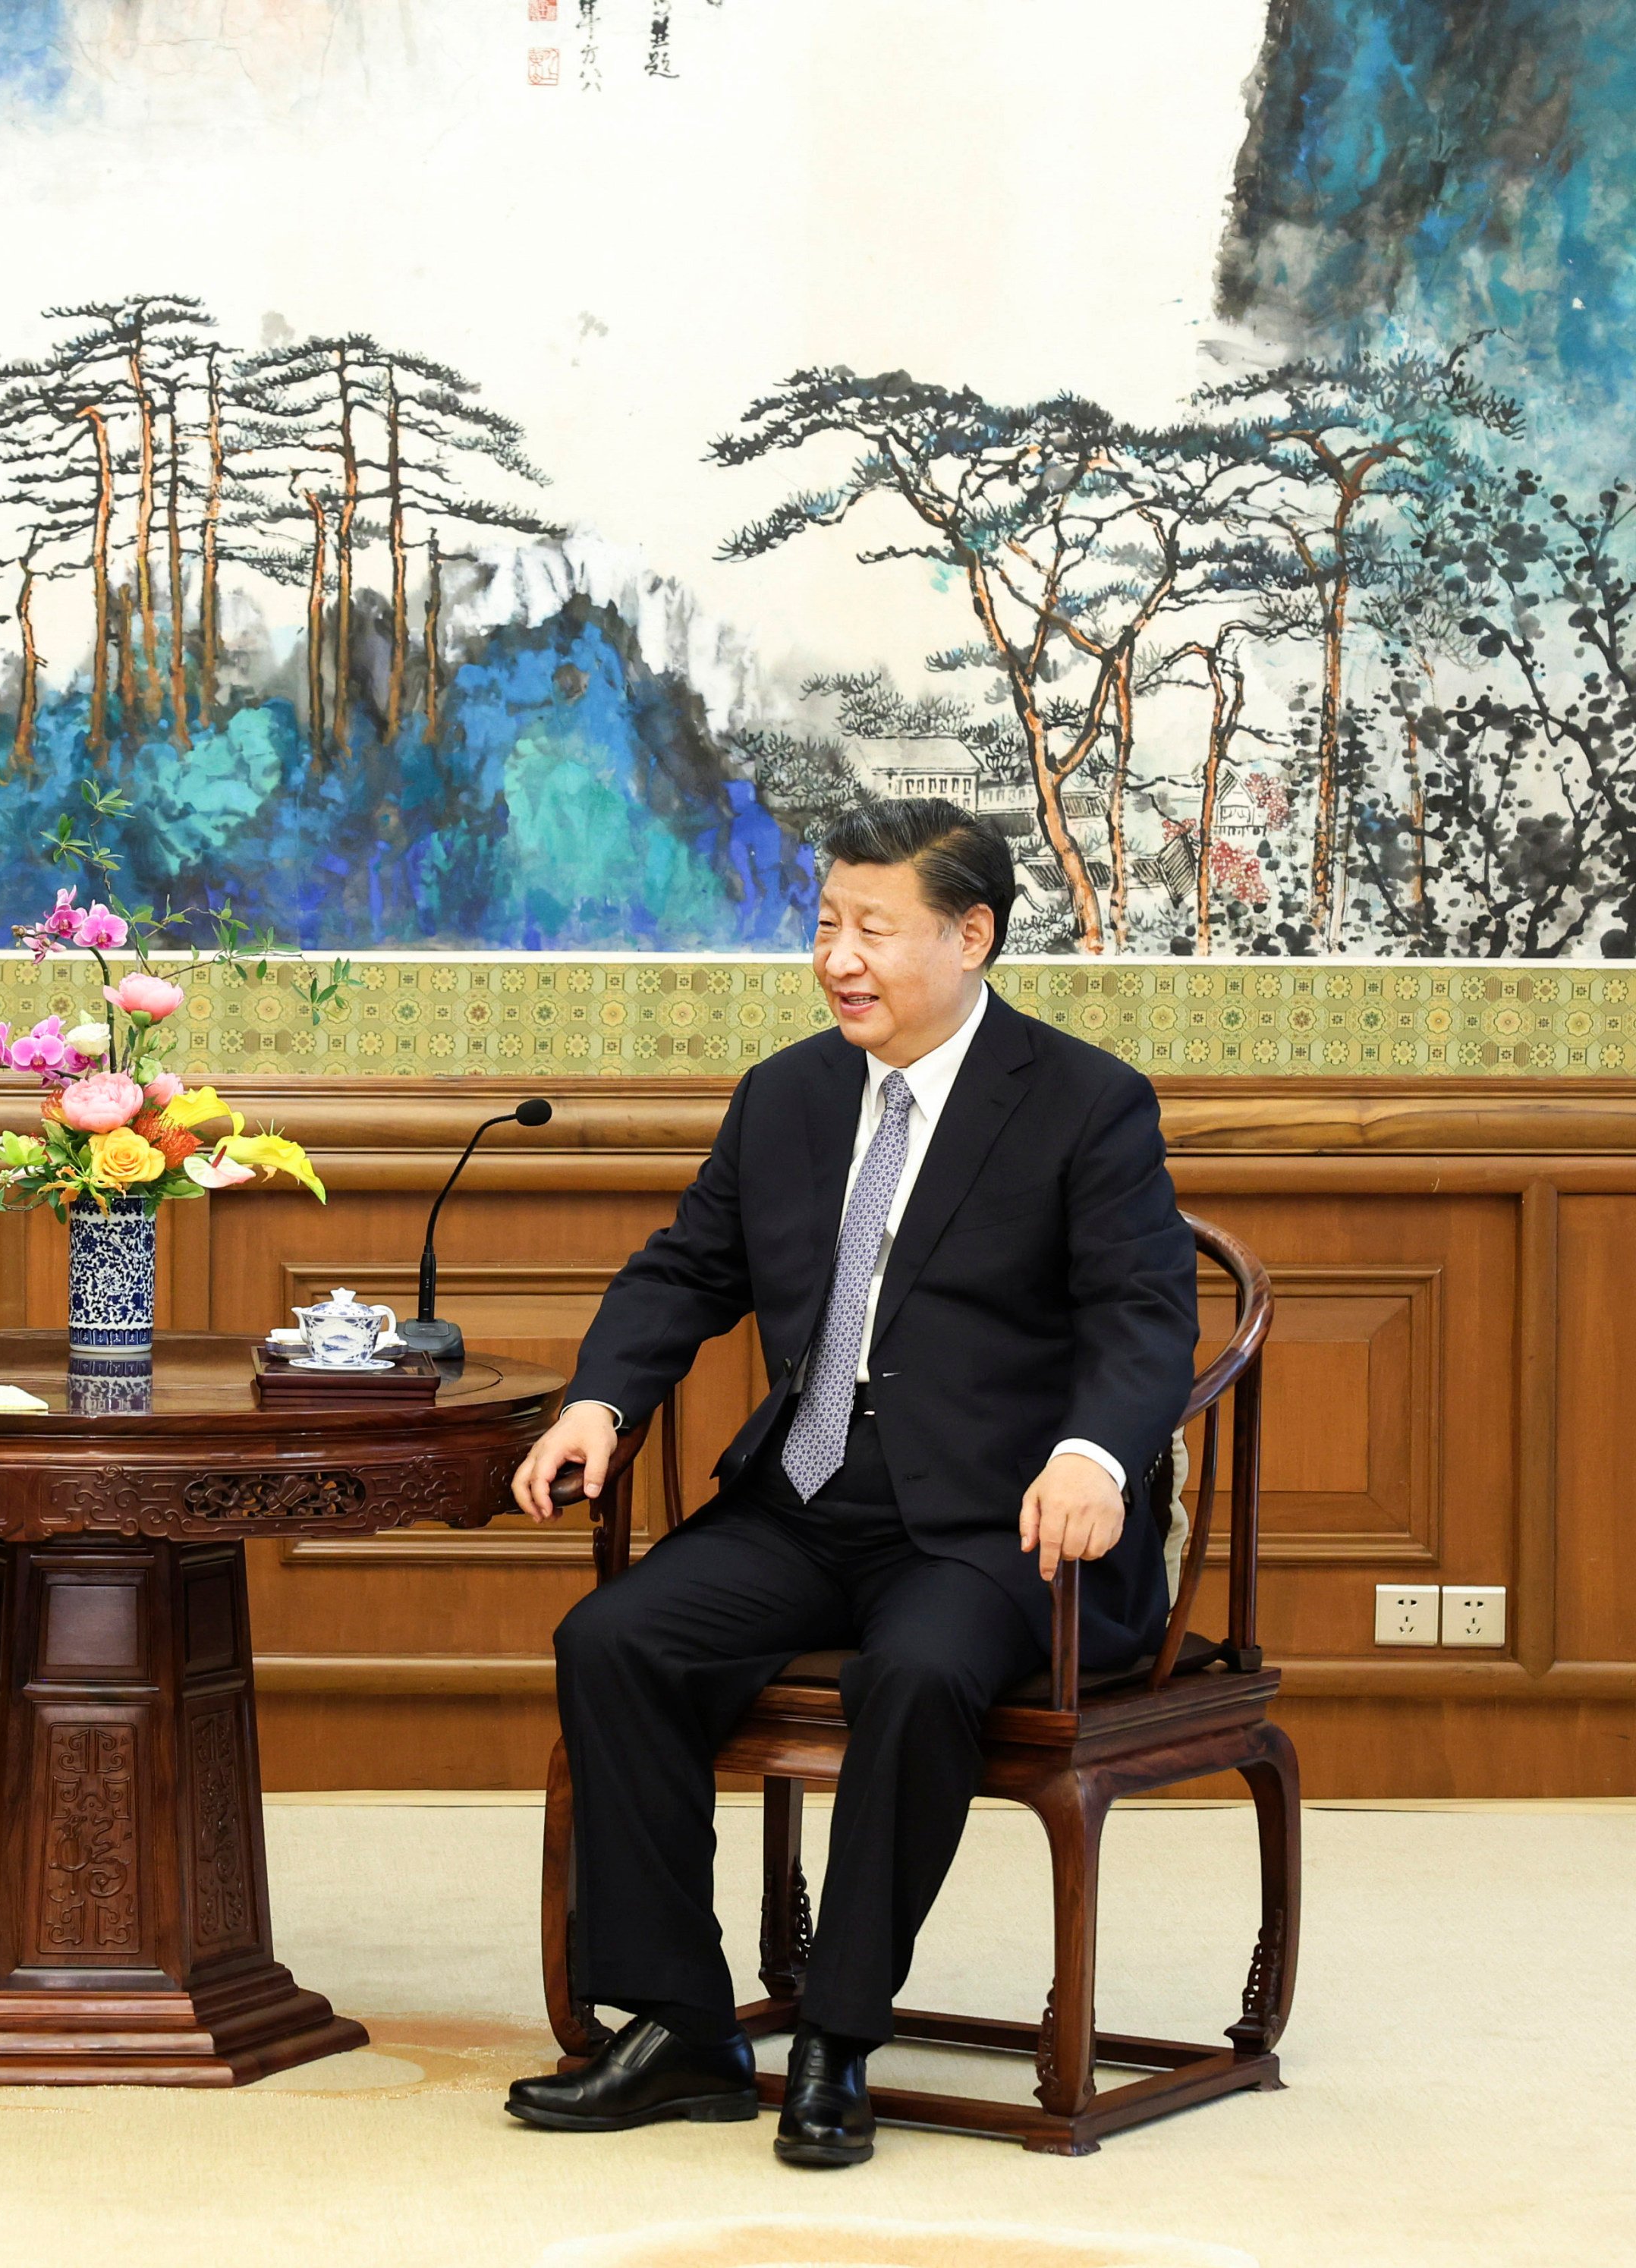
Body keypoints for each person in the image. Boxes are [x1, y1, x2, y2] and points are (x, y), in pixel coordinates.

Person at [503, 801, 1194, 2169]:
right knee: (617, 1639)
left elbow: (1143, 1312)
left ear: (971, 934)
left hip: (997, 1523)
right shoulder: (790, 1095)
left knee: (920, 1673)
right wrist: (601, 1397)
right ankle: (685, 2024)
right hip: (811, 1495)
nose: (839, 959)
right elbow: (687, 1269)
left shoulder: (1082, 1099)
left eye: (873, 928)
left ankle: (839, 2030)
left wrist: (1094, 1453)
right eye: (826, 925)